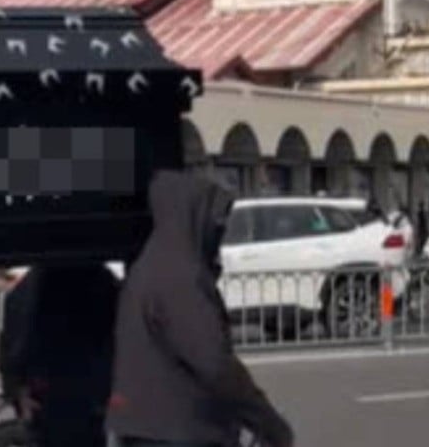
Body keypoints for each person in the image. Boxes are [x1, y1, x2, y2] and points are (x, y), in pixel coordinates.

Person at [108, 170, 294, 447]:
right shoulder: (180, 277)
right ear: (194, 217)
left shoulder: (149, 265)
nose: (219, 230)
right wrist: (266, 419)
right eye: (216, 221)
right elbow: (213, 363)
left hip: (148, 428)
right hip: (181, 430)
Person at [0, 263, 120, 447]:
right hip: (83, 400)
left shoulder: (24, 288)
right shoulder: (96, 280)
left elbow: (10, 348)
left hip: (46, 400)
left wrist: (17, 392)